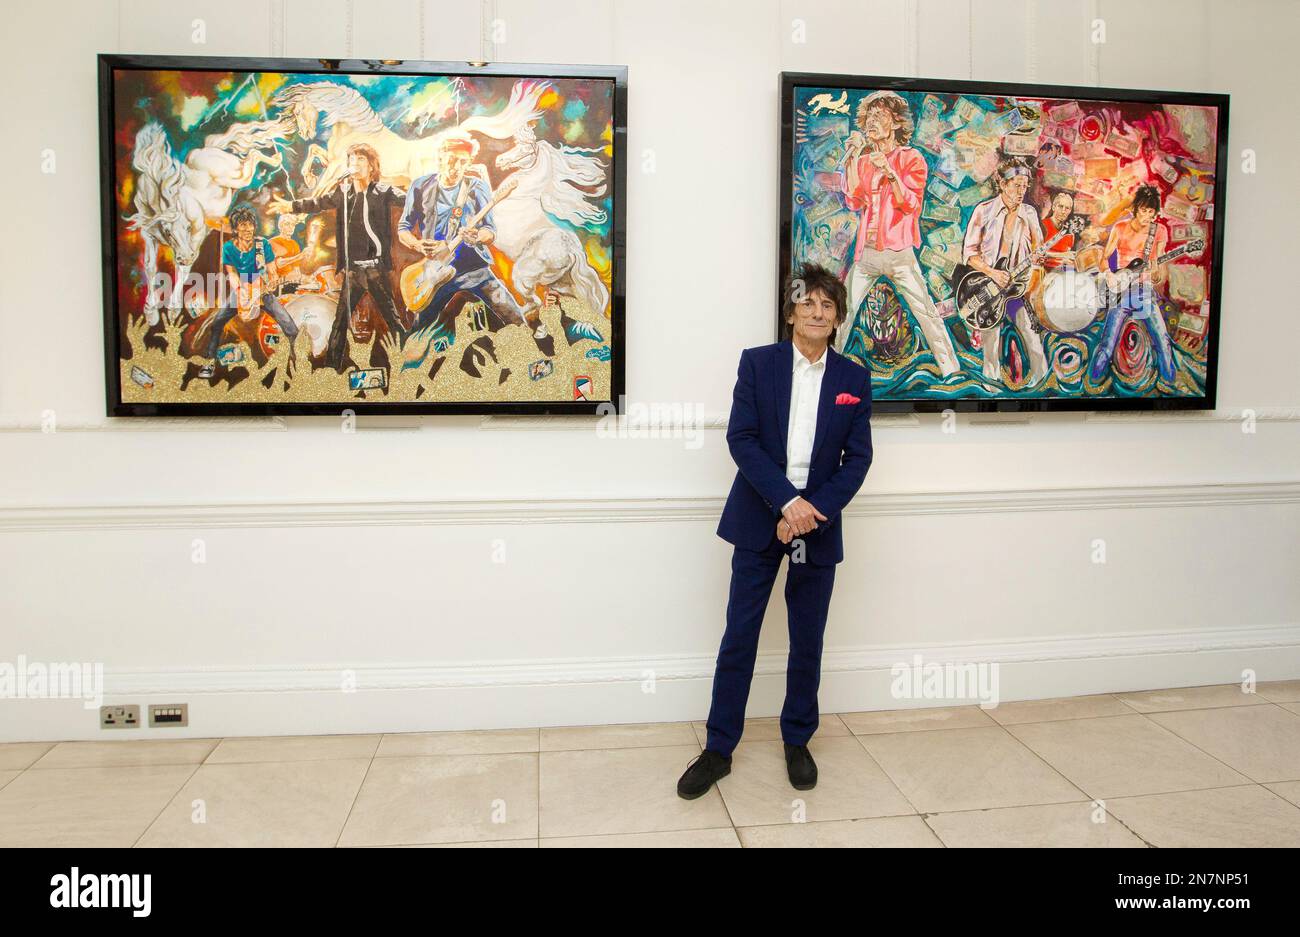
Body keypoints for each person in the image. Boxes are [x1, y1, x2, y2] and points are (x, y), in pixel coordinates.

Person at [677, 262, 874, 799]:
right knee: (739, 636)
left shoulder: (853, 379)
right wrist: (787, 503)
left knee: (807, 639)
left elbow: (857, 460)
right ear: (790, 312)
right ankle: (719, 749)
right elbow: (742, 440)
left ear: (836, 319)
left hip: (819, 525)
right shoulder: (758, 365)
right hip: (759, 518)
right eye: (807, 302)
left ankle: (798, 740)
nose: (817, 311)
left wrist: (811, 511)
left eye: (827, 305)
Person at [835, 90, 960, 378]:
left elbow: (911, 204)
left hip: (899, 252)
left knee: (925, 311)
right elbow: (854, 200)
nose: (872, 121)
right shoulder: (864, 160)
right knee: (845, 312)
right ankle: (824, 369)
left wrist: (890, 171)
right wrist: (853, 158)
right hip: (866, 253)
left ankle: (952, 371)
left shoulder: (911, 158)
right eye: (869, 116)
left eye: (880, 115)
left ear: (895, 123)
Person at [397, 131, 554, 357]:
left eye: (462, 162)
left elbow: (490, 232)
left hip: (474, 270)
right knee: (418, 333)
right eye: (451, 160)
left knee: (514, 319)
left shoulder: (476, 187)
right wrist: (419, 245)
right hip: (433, 275)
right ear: (440, 157)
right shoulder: (421, 186)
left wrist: (476, 237)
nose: (456, 167)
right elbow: (404, 228)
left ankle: (537, 362)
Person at [270, 143, 407, 371]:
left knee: (392, 319)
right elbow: (318, 203)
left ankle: (407, 356)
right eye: (352, 159)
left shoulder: (383, 192)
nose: (355, 163)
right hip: (353, 271)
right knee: (340, 322)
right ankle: (333, 367)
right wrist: (291, 206)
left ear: (371, 166)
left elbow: (409, 198)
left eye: (361, 159)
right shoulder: (343, 194)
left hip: (375, 269)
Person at [960, 156, 1048, 386]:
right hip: (988, 288)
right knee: (991, 345)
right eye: (1016, 185)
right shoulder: (984, 210)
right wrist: (991, 272)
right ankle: (991, 386)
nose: (1021, 191)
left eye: (1025, 186)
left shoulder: (1029, 214)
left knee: (1032, 338)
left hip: (1016, 289)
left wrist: (1038, 259)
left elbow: (1039, 249)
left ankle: (1042, 384)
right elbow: (969, 254)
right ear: (1003, 184)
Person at [1088, 184, 1177, 384]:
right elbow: (1104, 258)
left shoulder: (1159, 231)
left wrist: (1157, 274)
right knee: (1108, 343)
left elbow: (1160, 266)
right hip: (1121, 291)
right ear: (1136, 209)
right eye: (1144, 210)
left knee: (1162, 340)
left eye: (1151, 212)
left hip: (1144, 292)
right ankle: (1092, 384)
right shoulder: (1120, 228)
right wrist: (1109, 275)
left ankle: (1169, 383)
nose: (1147, 216)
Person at [198, 205, 298, 378]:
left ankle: (295, 360)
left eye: (250, 225)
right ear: (236, 229)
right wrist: (241, 292)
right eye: (243, 226)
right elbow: (232, 273)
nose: (248, 229)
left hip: (261, 288)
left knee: (290, 326)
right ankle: (209, 363)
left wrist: (272, 280)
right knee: (217, 323)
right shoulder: (229, 248)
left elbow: (272, 271)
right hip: (242, 290)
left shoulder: (262, 245)